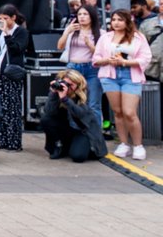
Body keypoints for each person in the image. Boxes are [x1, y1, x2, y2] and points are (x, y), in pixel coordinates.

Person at [94, 9, 152, 161]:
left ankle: (138, 145)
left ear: (127, 21)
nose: (116, 23)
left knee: (129, 112)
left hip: (130, 75)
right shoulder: (105, 37)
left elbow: (146, 58)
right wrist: (108, 60)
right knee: (117, 112)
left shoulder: (138, 37)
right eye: (113, 20)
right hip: (110, 75)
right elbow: (96, 58)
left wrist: (125, 62)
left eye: (120, 20)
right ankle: (123, 143)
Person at [0, 4, 29, 152]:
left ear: (13, 18)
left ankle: (14, 142)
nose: (2, 21)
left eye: (5, 18)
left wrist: (6, 34)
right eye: (0, 19)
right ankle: (3, 139)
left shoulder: (21, 32)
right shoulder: (0, 32)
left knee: (12, 108)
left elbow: (17, 49)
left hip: (11, 73)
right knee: (0, 108)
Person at [41, 69, 107, 163]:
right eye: (65, 83)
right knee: (46, 119)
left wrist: (65, 99)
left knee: (78, 156)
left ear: (78, 85)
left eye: (70, 85)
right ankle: (60, 146)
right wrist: (53, 93)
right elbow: (48, 111)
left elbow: (80, 114)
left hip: (83, 130)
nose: (67, 87)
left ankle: (81, 146)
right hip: (68, 129)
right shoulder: (59, 92)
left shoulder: (84, 94)